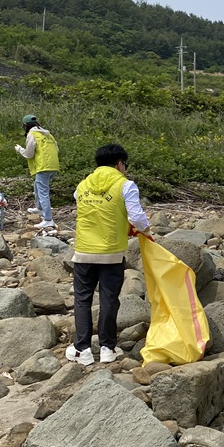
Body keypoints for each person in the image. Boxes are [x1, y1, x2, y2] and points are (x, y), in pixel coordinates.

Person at [67, 144, 151, 366]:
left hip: (84, 252)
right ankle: (107, 347)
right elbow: (138, 219)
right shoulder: (126, 185)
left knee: (82, 300)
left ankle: (82, 349)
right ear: (120, 163)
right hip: (111, 254)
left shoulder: (82, 186)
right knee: (109, 299)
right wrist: (145, 232)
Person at [14, 114, 60, 230]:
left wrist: (19, 149)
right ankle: (39, 208)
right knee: (37, 185)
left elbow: (29, 154)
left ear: (25, 125)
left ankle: (48, 219)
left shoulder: (32, 135)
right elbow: (57, 149)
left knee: (43, 192)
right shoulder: (48, 135)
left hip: (43, 167)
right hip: (53, 166)